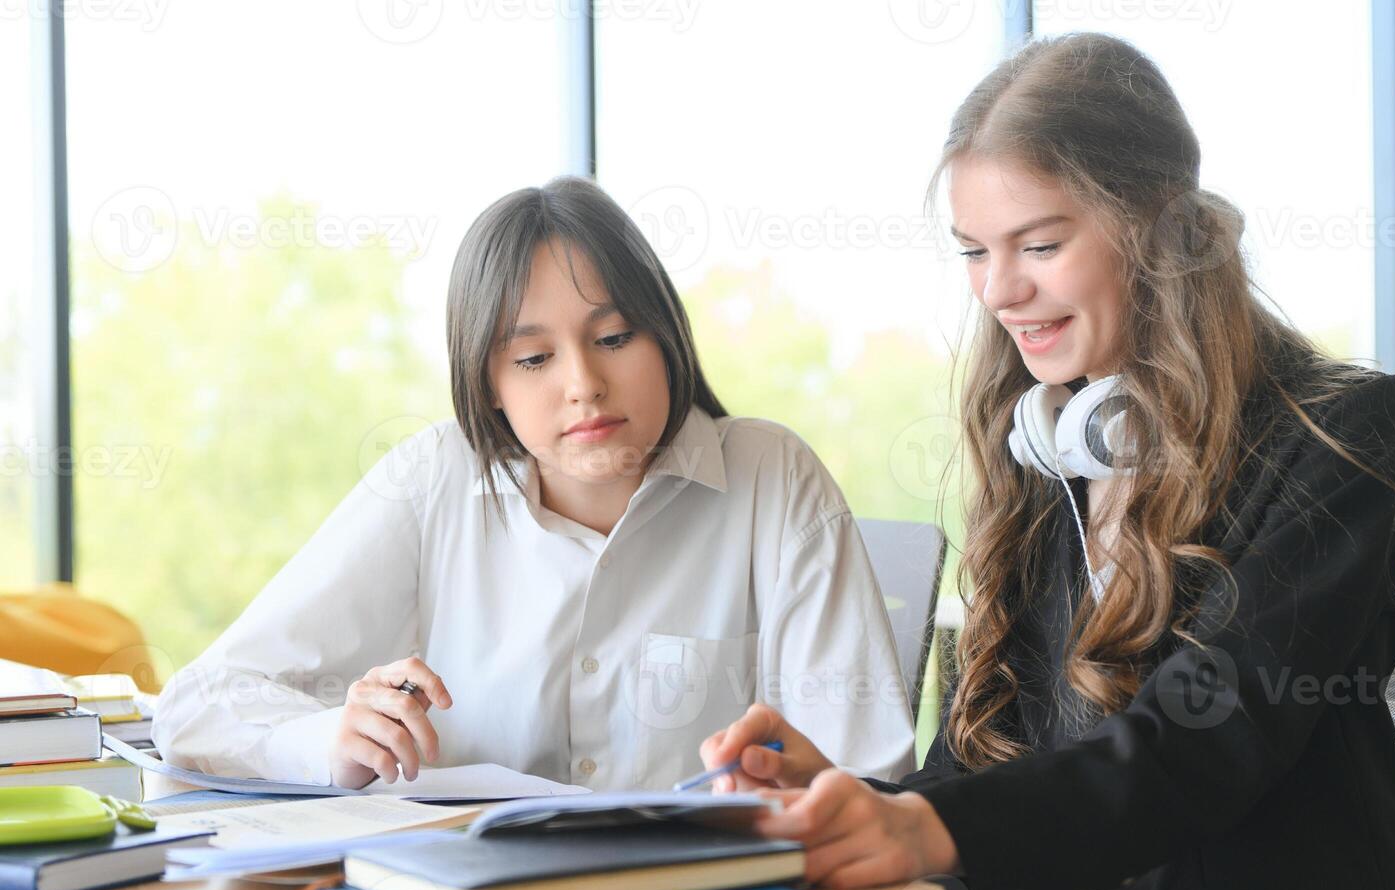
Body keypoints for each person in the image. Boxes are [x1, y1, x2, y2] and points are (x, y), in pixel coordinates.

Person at [700, 33, 1395, 890]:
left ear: (1161, 231)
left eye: (1040, 244)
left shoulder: (1345, 434)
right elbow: (979, 773)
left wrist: (920, 829)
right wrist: (854, 801)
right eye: (974, 251)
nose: (1000, 290)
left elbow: (1205, 740)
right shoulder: (1054, 445)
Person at [153, 177, 914, 792]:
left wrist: (794, 786)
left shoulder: (771, 478)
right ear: (486, 382)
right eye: (531, 360)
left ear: (666, 335)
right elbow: (197, 705)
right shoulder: (435, 477)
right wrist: (333, 737)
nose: (584, 384)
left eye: (614, 339)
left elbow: (869, 775)